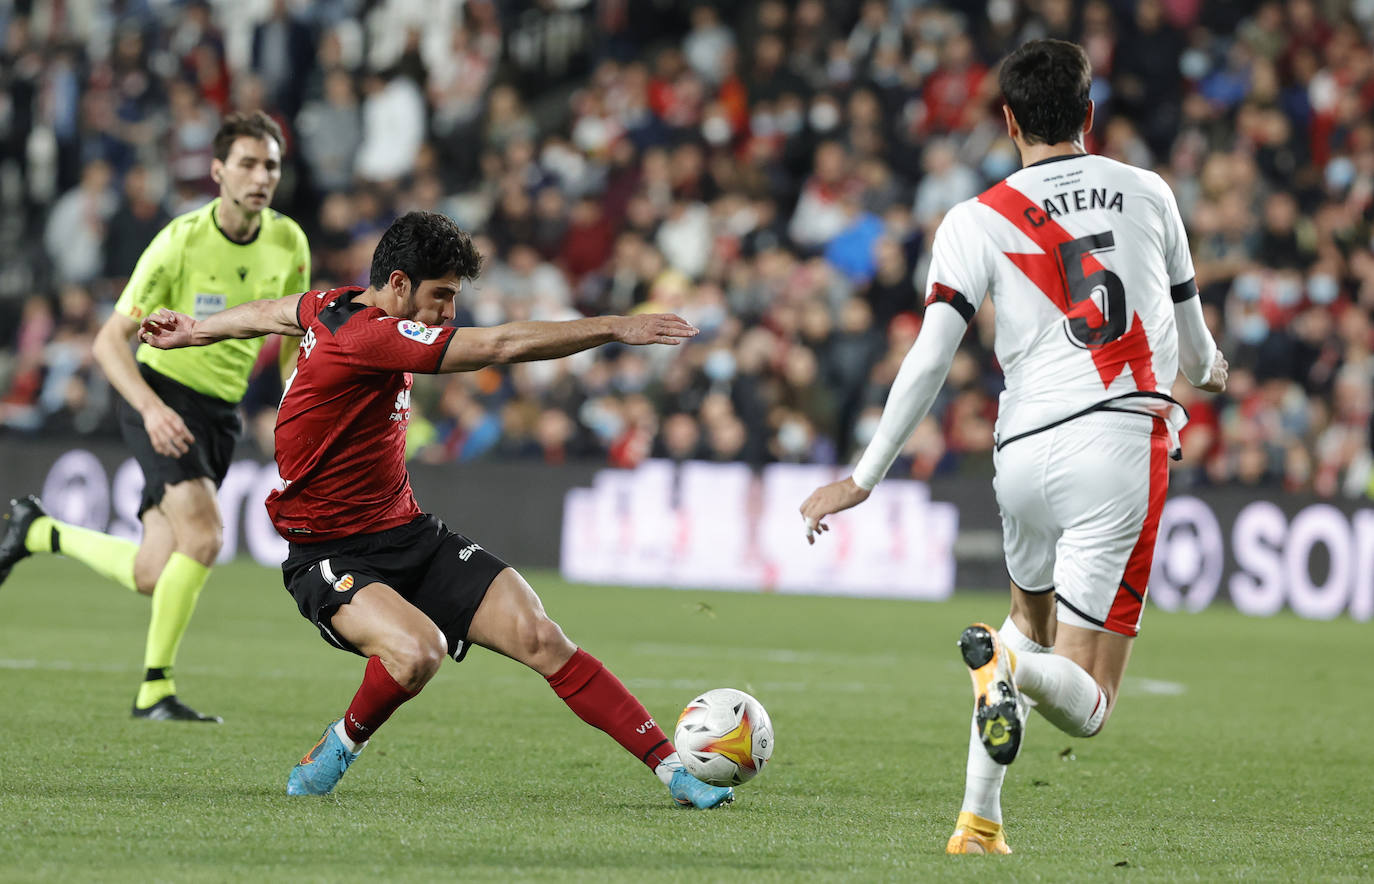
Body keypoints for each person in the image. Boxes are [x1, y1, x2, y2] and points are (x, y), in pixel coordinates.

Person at [134, 211, 735, 808]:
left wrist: (197, 330)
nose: (449, 312)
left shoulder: (333, 304)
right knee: (418, 651)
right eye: (441, 295)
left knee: (540, 635)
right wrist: (612, 327)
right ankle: (339, 745)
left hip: (408, 534)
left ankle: (674, 771)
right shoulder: (369, 335)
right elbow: (497, 344)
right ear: (398, 284)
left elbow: (274, 310)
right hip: (328, 554)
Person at [798, 40, 1228, 854]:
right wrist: (1211, 371)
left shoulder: (974, 217)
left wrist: (863, 476)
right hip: (1118, 443)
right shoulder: (1149, 192)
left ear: (1007, 121)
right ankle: (1006, 670)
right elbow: (1195, 346)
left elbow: (930, 356)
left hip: (1020, 453)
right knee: (1088, 696)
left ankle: (978, 819)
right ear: (1088, 115)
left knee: (1025, 622)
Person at [0, 112, 310, 722]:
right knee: (205, 535)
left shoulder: (289, 242)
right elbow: (108, 342)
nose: (260, 176)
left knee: (151, 570)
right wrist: (150, 407)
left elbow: (296, 336)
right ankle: (155, 690)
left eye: (270, 165)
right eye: (247, 163)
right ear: (218, 170)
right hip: (160, 393)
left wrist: (296, 406)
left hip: (219, 414)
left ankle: (38, 532)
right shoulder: (180, 240)